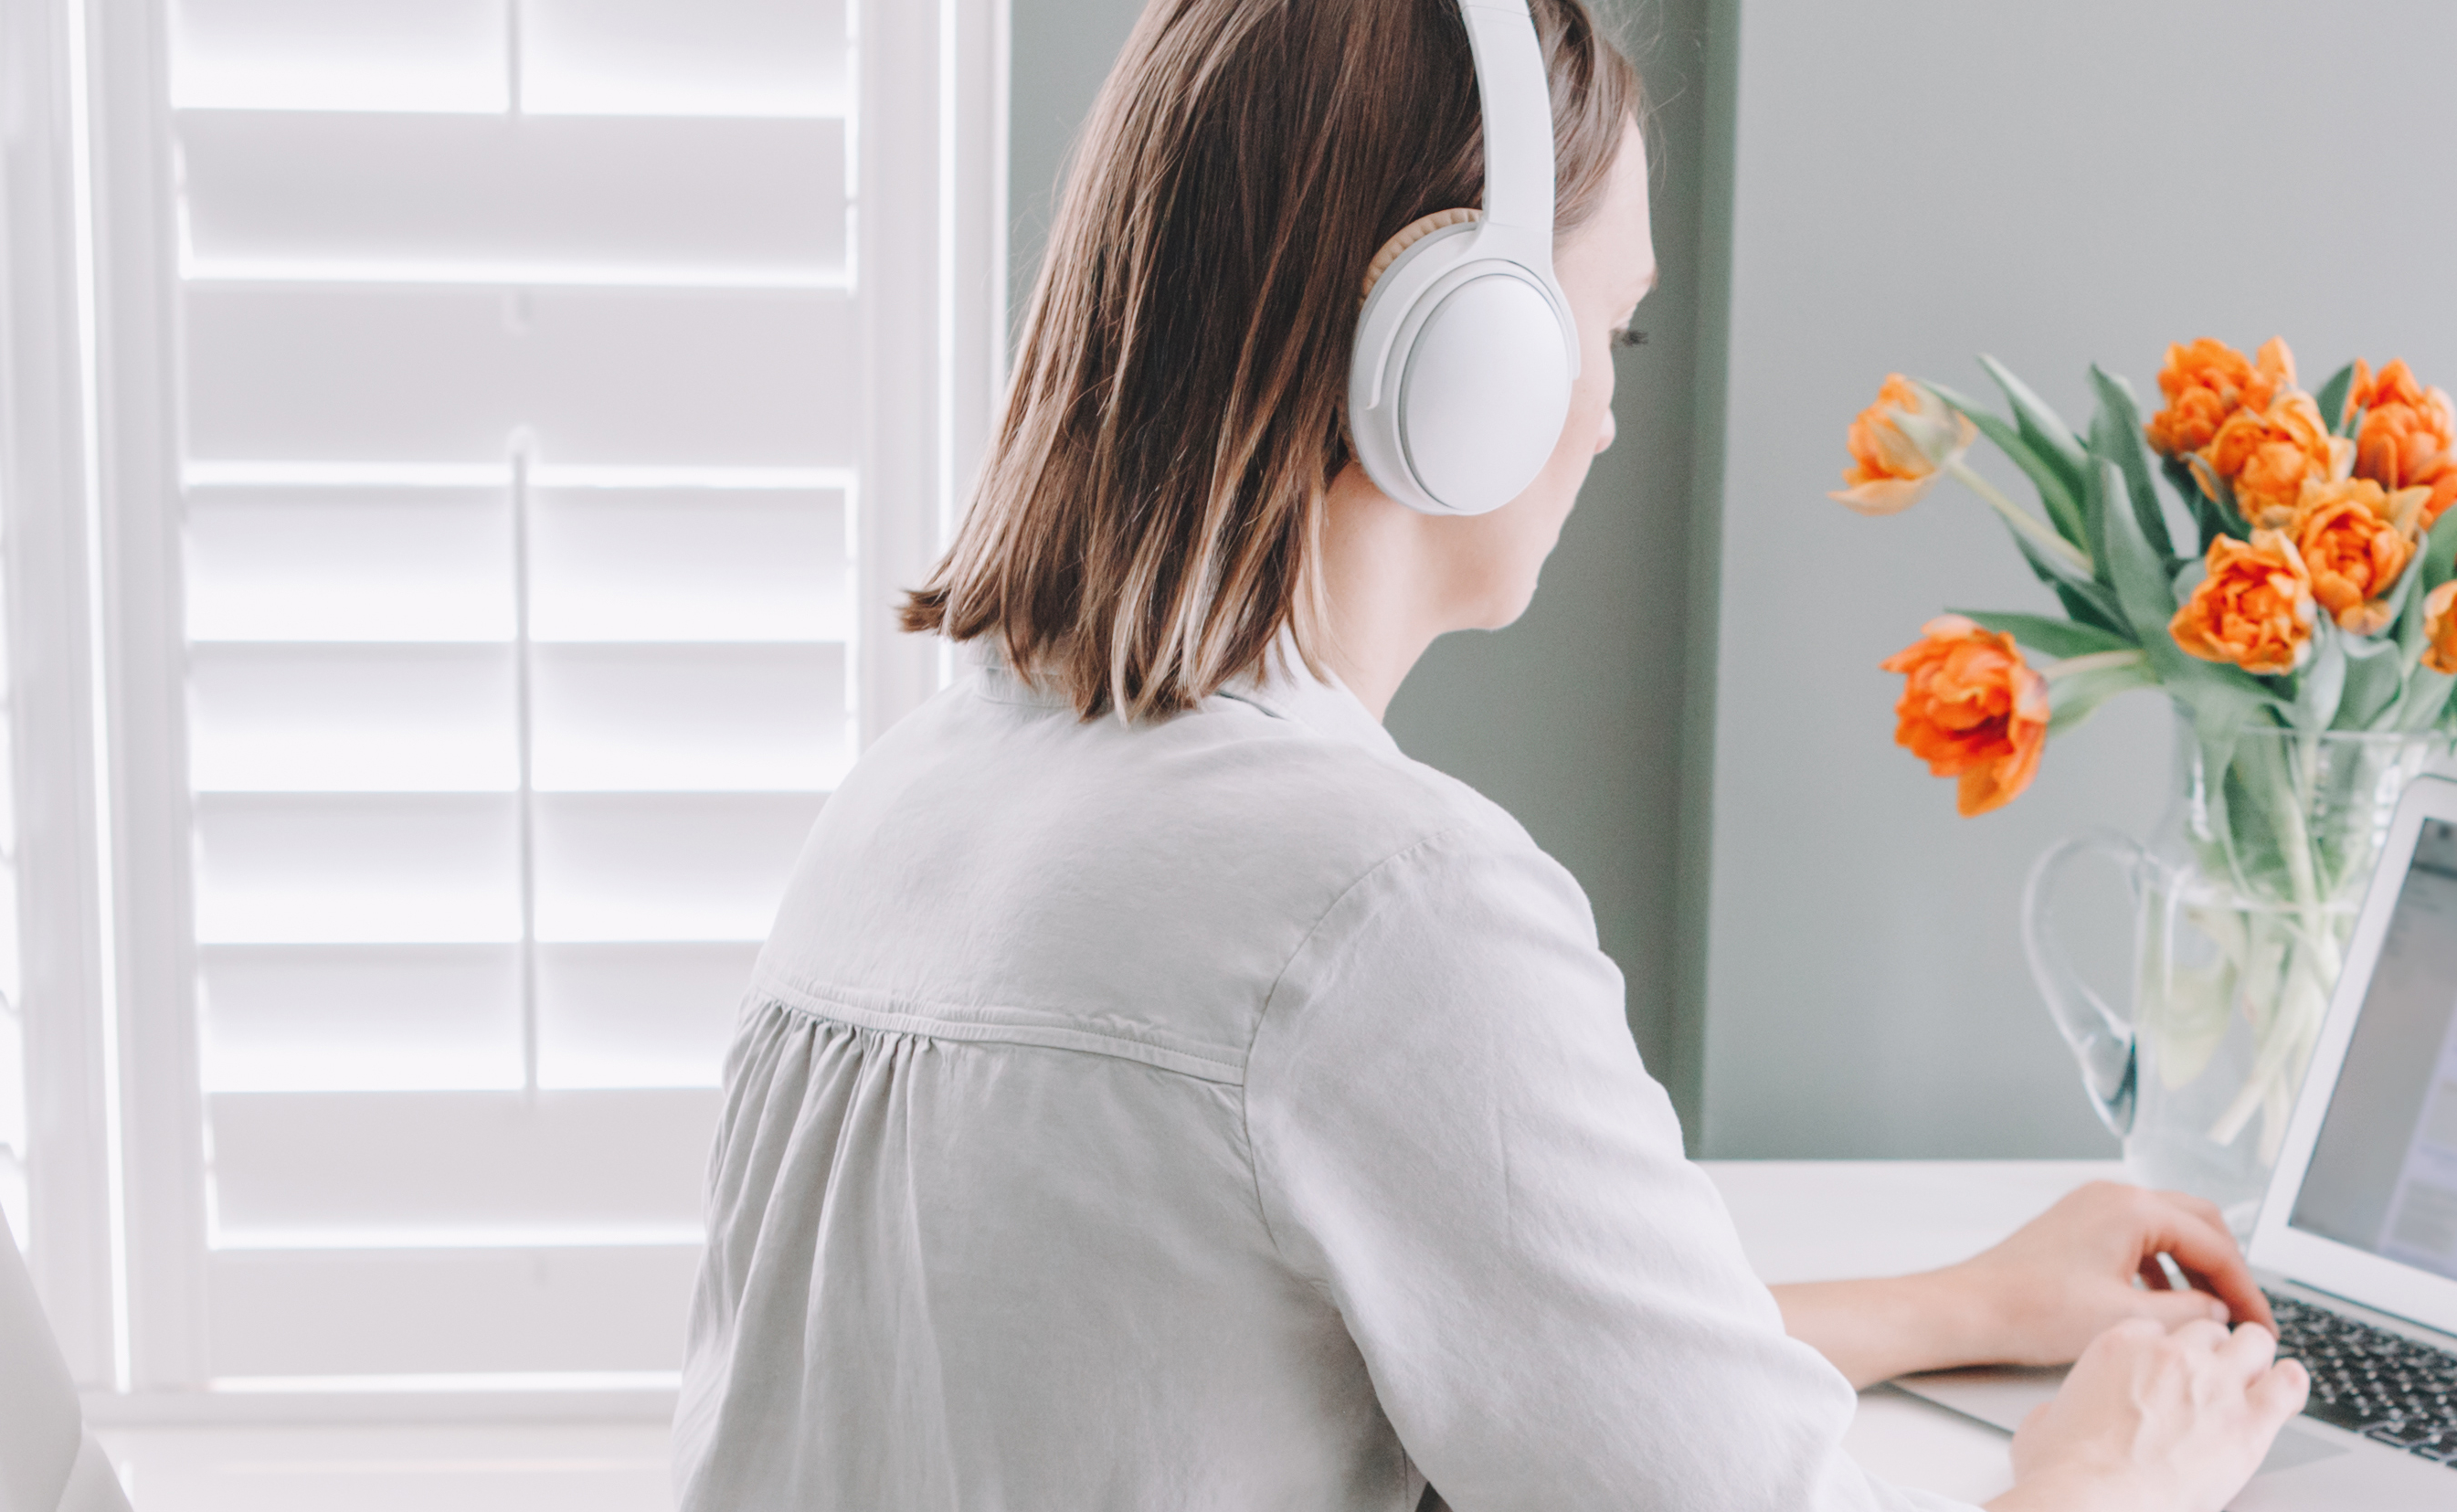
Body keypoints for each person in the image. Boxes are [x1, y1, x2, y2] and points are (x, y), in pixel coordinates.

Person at [672, 2, 2304, 1507]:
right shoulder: (1378, 904)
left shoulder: (915, 792)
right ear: (1457, 350)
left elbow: (1487, 1350)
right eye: (1613, 334)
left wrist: (1964, 1304)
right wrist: (2114, 1468)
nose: (1600, 412)